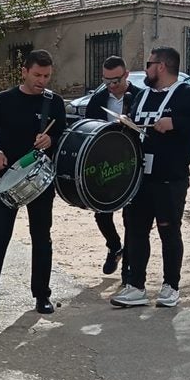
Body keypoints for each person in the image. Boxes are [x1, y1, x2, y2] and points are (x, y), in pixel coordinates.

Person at [110, 47, 190, 309]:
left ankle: (171, 286)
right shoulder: (142, 95)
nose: (145, 69)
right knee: (136, 232)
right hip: (140, 177)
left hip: (170, 177)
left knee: (169, 231)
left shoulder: (188, 94)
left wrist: (175, 123)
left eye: (149, 64)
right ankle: (136, 286)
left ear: (162, 66)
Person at [0, 50, 66, 319]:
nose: (42, 80)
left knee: (41, 237)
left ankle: (42, 295)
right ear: (24, 71)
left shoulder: (54, 103)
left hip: (40, 180)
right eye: (37, 75)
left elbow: (62, 135)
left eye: (47, 76)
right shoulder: (4, 100)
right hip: (5, 178)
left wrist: (52, 141)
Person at [83, 56, 140, 278]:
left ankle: (130, 268)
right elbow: (88, 128)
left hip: (131, 160)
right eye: (106, 81)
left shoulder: (139, 96)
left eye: (115, 80)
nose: (111, 86)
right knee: (101, 212)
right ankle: (114, 246)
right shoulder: (97, 99)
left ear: (126, 75)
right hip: (105, 162)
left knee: (131, 216)